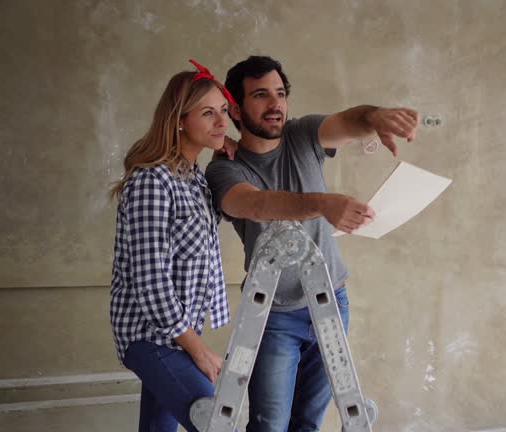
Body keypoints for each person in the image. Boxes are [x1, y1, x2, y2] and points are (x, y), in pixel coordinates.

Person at [205, 55, 418, 432]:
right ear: (236, 108)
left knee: (307, 424)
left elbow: (347, 122)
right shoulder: (224, 168)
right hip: (272, 317)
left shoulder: (302, 134)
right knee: (270, 425)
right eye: (260, 95)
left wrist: (375, 116)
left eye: (280, 94)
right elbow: (255, 204)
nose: (275, 105)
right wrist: (322, 204)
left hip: (332, 303)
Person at [109, 60, 235, 432]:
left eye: (224, 111)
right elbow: (151, 283)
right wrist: (199, 351)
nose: (221, 122)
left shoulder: (194, 180)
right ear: (180, 120)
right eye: (208, 113)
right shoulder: (153, 182)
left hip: (177, 335)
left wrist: (236, 155)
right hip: (152, 337)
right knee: (216, 422)